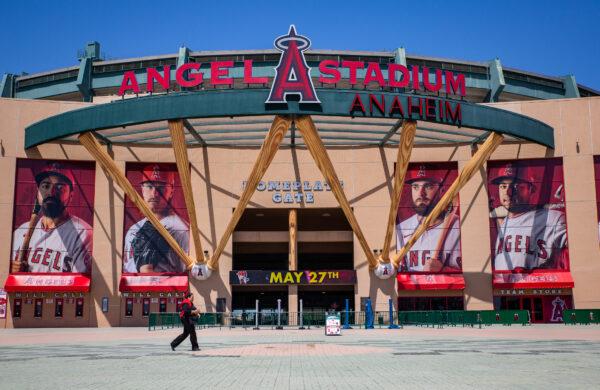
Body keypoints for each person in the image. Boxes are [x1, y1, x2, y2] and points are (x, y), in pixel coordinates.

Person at [11, 162, 93, 273]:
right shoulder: (21, 231)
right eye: (45, 186)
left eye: (60, 187)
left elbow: (81, 286)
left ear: (71, 195)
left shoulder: (83, 234)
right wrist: (12, 273)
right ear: (37, 193)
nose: (51, 192)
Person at [490, 163, 568, 271]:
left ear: (531, 190)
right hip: (503, 287)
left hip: (537, 287)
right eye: (503, 186)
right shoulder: (503, 224)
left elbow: (582, 246)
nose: (508, 192)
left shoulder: (552, 218)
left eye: (515, 186)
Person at [123, 164, 189, 273]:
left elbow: (186, 274)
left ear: (171, 190)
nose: (155, 193)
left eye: (161, 187)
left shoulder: (181, 229)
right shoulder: (133, 229)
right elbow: (126, 269)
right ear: (142, 190)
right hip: (131, 289)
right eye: (149, 186)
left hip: (164, 289)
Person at [396, 165, 461, 272]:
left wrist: (443, 270)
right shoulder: (400, 230)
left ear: (441, 190)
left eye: (428, 186)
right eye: (415, 187)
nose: (421, 193)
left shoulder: (459, 227)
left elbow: (471, 276)